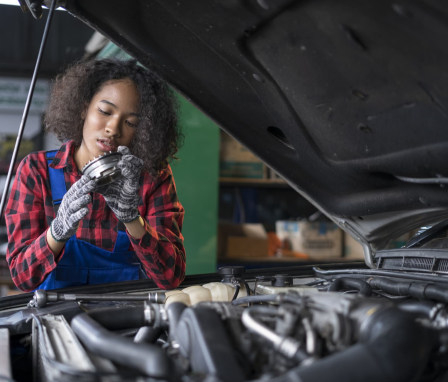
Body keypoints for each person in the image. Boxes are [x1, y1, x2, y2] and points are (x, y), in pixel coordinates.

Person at [5, 58, 186, 292]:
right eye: (105, 111)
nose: (113, 128)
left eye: (130, 122)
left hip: (133, 322)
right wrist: (57, 231)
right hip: (57, 323)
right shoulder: (37, 170)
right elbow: (22, 277)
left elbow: (171, 277)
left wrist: (132, 218)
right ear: (83, 108)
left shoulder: (153, 176)